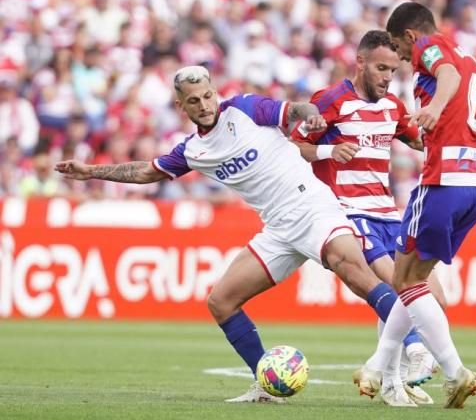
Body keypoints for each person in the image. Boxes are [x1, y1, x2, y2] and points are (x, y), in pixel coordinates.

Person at [55, 65, 407, 404]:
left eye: (208, 96)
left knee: (356, 274)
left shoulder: (245, 108)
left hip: (313, 206)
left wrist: (310, 113)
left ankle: (420, 348)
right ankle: (265, 385)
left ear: (215, 91)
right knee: (220, 302)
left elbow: (294, 109)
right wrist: (92, 172)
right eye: (194, 101)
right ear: (181, 106)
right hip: (279, 229)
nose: (204, 105)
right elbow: (147, 172)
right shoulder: (193, 150)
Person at [353, 2, 476, 409]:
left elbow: (444, 74)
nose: (400, 57)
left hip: (441, 182)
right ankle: (376, 369)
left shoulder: (432, 49)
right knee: (408, 278)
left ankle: (455, 372)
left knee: (406, 280)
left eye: (399, 48)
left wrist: (433, 107)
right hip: (475, 188)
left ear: (410, 37)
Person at [291, 30, 450, 406]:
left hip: (388, 213)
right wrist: (329, 150)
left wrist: (463, 139)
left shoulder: (393, 107)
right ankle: (414, 356)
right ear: (360, 62)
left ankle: (390, 379)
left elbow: (420, 141)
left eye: (392, 71)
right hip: (350, 211)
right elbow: (295, 146)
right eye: (380, 68)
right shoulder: (330, 101)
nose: (386, 77)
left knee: (435, 297)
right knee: (398, 285)